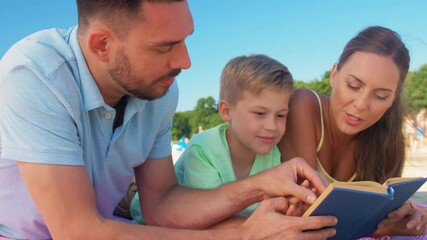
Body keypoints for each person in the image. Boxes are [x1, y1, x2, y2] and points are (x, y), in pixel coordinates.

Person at [0, 0, 337, 239]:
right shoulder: (35, 73)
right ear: (102, 44)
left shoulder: (158, 89)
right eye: (165, 47)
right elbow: (77, 231)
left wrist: (262, 184)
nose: (185, 61)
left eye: (186, 39)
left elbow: (161, 204)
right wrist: (244, 235)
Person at [278, 25, 427, 237]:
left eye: (380, 96)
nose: (361, 104)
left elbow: (382, 215)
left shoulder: (385, 138)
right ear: (334, 75)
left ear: (392, 99)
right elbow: (308, 213)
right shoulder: (303, 105)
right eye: (353, 85)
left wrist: (403, 218)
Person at [130, 54, 302, 223]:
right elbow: (206, 219)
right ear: (226, 111)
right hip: (153, 221)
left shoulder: (273, 154)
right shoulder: (203, 149)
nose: (272, 126)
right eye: (260, 113)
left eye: (281, 115)